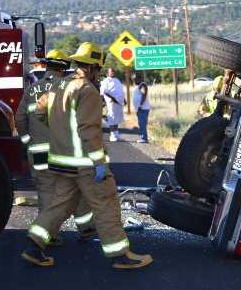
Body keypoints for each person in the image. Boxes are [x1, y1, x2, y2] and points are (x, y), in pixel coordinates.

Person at [22, 42, 152, 269]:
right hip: (85, 164)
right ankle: (120, 255)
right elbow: (89, 130)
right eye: (98, 70)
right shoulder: (87, 91)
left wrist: (58, 131)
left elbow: (39, 112)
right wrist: (99, 163)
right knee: (106, 203)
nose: (99, 75)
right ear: (93, 67)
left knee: (59, 204)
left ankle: (34, 245)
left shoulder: (59, 87)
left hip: (61, 163)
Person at [16, 49, 96, 246]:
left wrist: (27, 141)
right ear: (64, 68)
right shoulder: (69, 88)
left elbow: (20, 119)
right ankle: (87, 229)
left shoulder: (31, 90)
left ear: (46, 66)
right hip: (64, 151)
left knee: (46, 192)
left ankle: (48, 236)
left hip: (39, 152)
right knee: (75, 187)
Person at [100, 67, 125, 142]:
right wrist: (113, 98)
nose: (113, 72)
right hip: (111, 102)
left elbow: (120, 91)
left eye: (113, 71)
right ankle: (112, 135)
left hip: (119, 102)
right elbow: (104, 91)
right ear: (107, 73)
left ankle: (117, 134)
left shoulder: (117, 80)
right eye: (111, 71)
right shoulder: (105, 81)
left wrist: (124, 99)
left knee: (117, 118)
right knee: (111, 118)